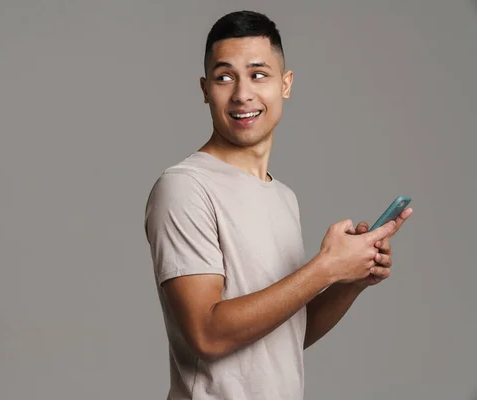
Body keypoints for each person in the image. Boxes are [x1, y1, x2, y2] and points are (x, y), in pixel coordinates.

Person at [144, 10, 412, 400]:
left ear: (285, 84)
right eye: (224, 77)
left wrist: (348, 283)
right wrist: (325, 268)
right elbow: (208, 334)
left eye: (258, 74)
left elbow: (282, 338)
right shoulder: (185, 187)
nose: (242, 94)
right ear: (205, 89)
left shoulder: (283, 197)